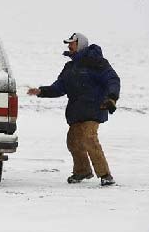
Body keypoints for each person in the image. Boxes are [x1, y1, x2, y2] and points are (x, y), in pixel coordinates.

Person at [27, 32, 120, 186]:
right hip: (77, 111)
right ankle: (82, 171)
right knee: (73, 141)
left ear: (80, 44)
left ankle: (105, 175)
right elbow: (59, 87)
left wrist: (111, 97)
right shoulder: (69, 67)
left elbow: (112, 79)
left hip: (95, 108)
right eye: (69, 43)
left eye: (72, 43)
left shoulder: (97, 62)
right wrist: (41, 91)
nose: (69, 46)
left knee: (89, 138)